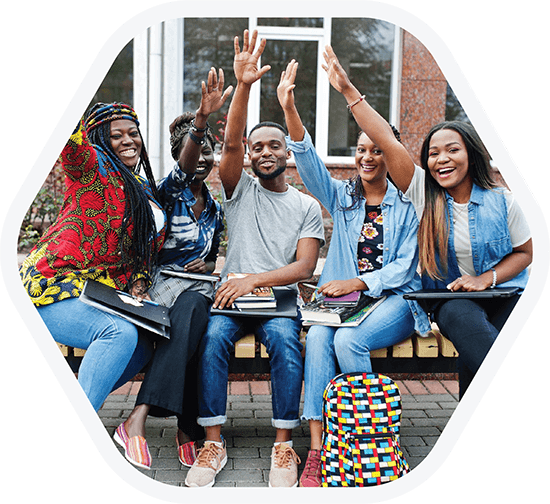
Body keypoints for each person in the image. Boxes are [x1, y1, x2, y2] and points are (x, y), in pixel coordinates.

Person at [319, 46, 532, 399]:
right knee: (465, 323)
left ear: (472, 154)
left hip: (507, 293)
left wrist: (486, 279)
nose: (442, 159)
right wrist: (347, 91)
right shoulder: (423, 193)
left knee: (476, 361)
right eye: (433, 153)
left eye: (453, 150)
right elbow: (385, 139)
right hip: (449, 298)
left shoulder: (504, 201)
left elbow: (526, 252)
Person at [278, 54, 432, 487]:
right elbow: (307, 165)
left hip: (395, 300)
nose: (367, 157)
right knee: (323, 336)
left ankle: (373, 436)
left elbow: (406, 267)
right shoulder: (344, 197)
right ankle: (322, 448)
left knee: (349, 340)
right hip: (344, 304)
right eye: (361, 150)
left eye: (376, 149)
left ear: (392, 154)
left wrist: (362, 281)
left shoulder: (411, 201)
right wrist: (290, 110)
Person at [184, 30, 325, 488]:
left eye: (274, 146)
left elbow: (304, 269)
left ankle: (283, 445)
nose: (265, 152)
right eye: (257, 146)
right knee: (213, 342)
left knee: (288, 347)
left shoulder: (305, 205)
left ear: (288, 153)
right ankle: (213, 441)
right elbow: (227, 146)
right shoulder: (238, 190)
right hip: (230, 297)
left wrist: (251, 279)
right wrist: (243, 85)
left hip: (278, 302)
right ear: (249, 154)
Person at [112, 68, 232, 470]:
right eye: (193, 153)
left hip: (196, 289)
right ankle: (182, 428)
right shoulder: (166, 191)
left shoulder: (214, 208)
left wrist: (211, 262)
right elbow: (183, 169)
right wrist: (199, 123)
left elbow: (214, 255)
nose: (201, 161)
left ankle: (146, 419)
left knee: (195, 316)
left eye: (206, 153)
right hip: (162, 292)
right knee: (192, 318)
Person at [19, 103, 166, 412]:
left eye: (133, 133)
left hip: (100, 294)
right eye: (117, 135)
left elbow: (139, 248)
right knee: (118, 332)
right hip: (53, 286)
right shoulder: (91, 168)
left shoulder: (141, 188)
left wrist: (139, 281)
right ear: (100, 138)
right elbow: (71, 143)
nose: (128, 140)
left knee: (142, 346)